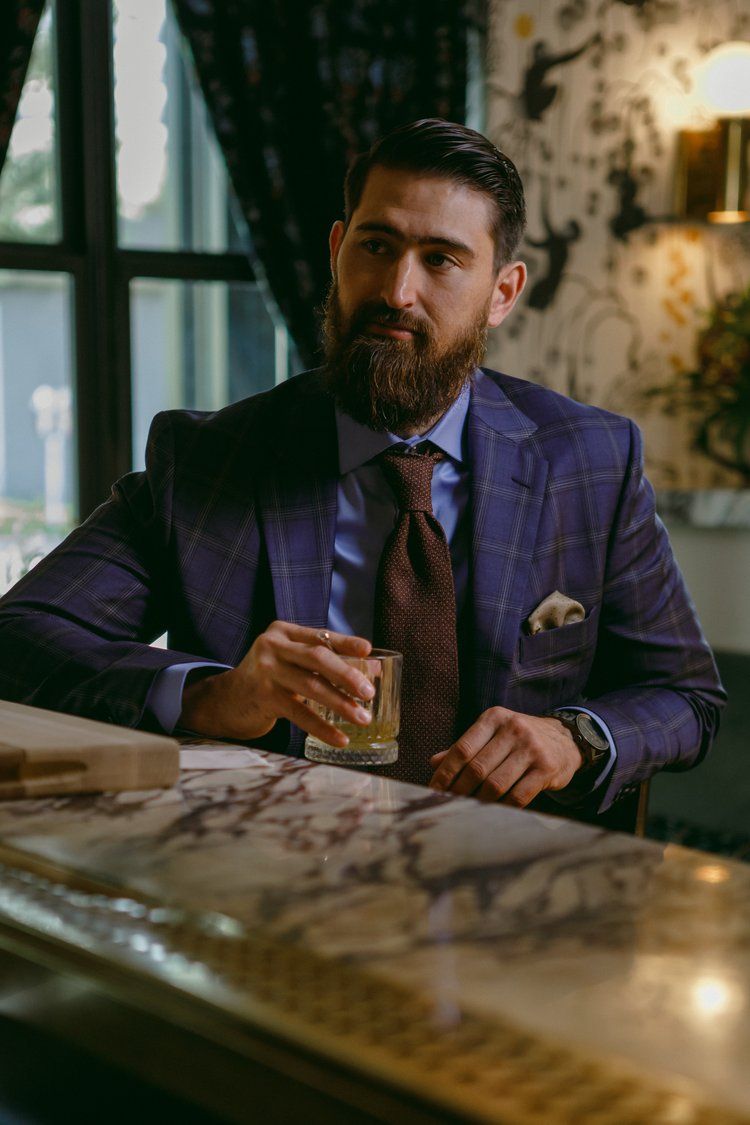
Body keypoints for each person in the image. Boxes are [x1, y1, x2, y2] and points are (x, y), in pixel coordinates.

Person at [0, 119, 725, 829]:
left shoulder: (591, 461)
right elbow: (21, 634)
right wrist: (212, 696)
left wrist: (575, 737)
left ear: (502, 293)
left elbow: (686, 697)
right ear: (338, 249)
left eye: (440, 260)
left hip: (510, 891)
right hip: (269, 891)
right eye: (377, 246)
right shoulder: (207, 460)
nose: (397, 291)